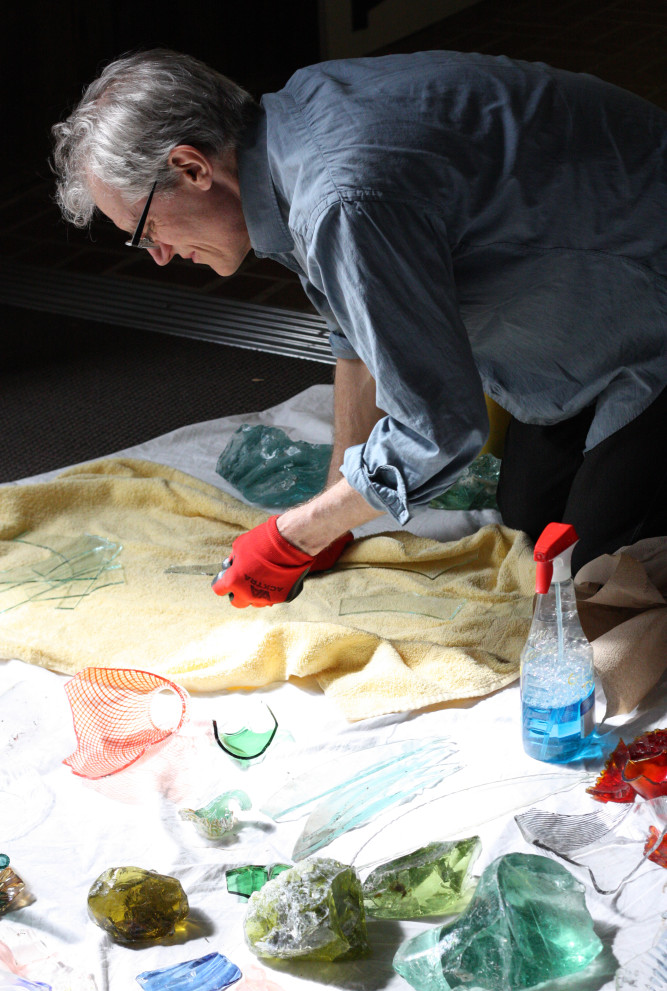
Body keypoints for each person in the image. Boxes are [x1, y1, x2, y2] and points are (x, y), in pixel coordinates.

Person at [52, 48, 667, 607]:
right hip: (579, 307)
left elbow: (441, 428)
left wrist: (291, 535)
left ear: (191, 168)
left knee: (601, 584)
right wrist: (331, 514)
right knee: (529, 515)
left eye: (143, 230)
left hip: (648, 309)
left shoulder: (340, 196)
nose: (157, 255)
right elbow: (359, 333)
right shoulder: (289, 133)